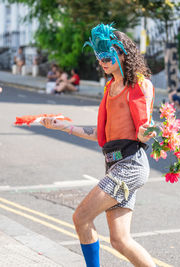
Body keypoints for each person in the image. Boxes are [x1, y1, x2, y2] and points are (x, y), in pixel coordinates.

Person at [40, 23, 157, 267]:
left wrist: (151, 132)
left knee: (81, 217)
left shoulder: (138, 85)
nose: (102, 61)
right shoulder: (109, 87)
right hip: (113, 164)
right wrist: (64, 127)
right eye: (98, 56)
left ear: (122, 54)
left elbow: (144, 131)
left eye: (106, 55)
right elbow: (104, 133)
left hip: (130, 164)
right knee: (120, 240)